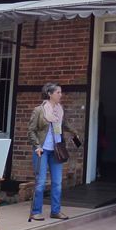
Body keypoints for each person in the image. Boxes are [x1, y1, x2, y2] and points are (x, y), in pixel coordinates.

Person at [26, 83, 81, 221]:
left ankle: (55, 211)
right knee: (41, 181)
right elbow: (31, 130)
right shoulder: (39, 110)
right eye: (58, 92)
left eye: (61, 92)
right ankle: (36, 211)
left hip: (56, 150)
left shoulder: (59, 110)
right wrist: (37, 145)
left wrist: (74, 133)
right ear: (50, 94)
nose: (60, 95)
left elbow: (64, 125)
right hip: (42, 150)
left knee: (57, 182)